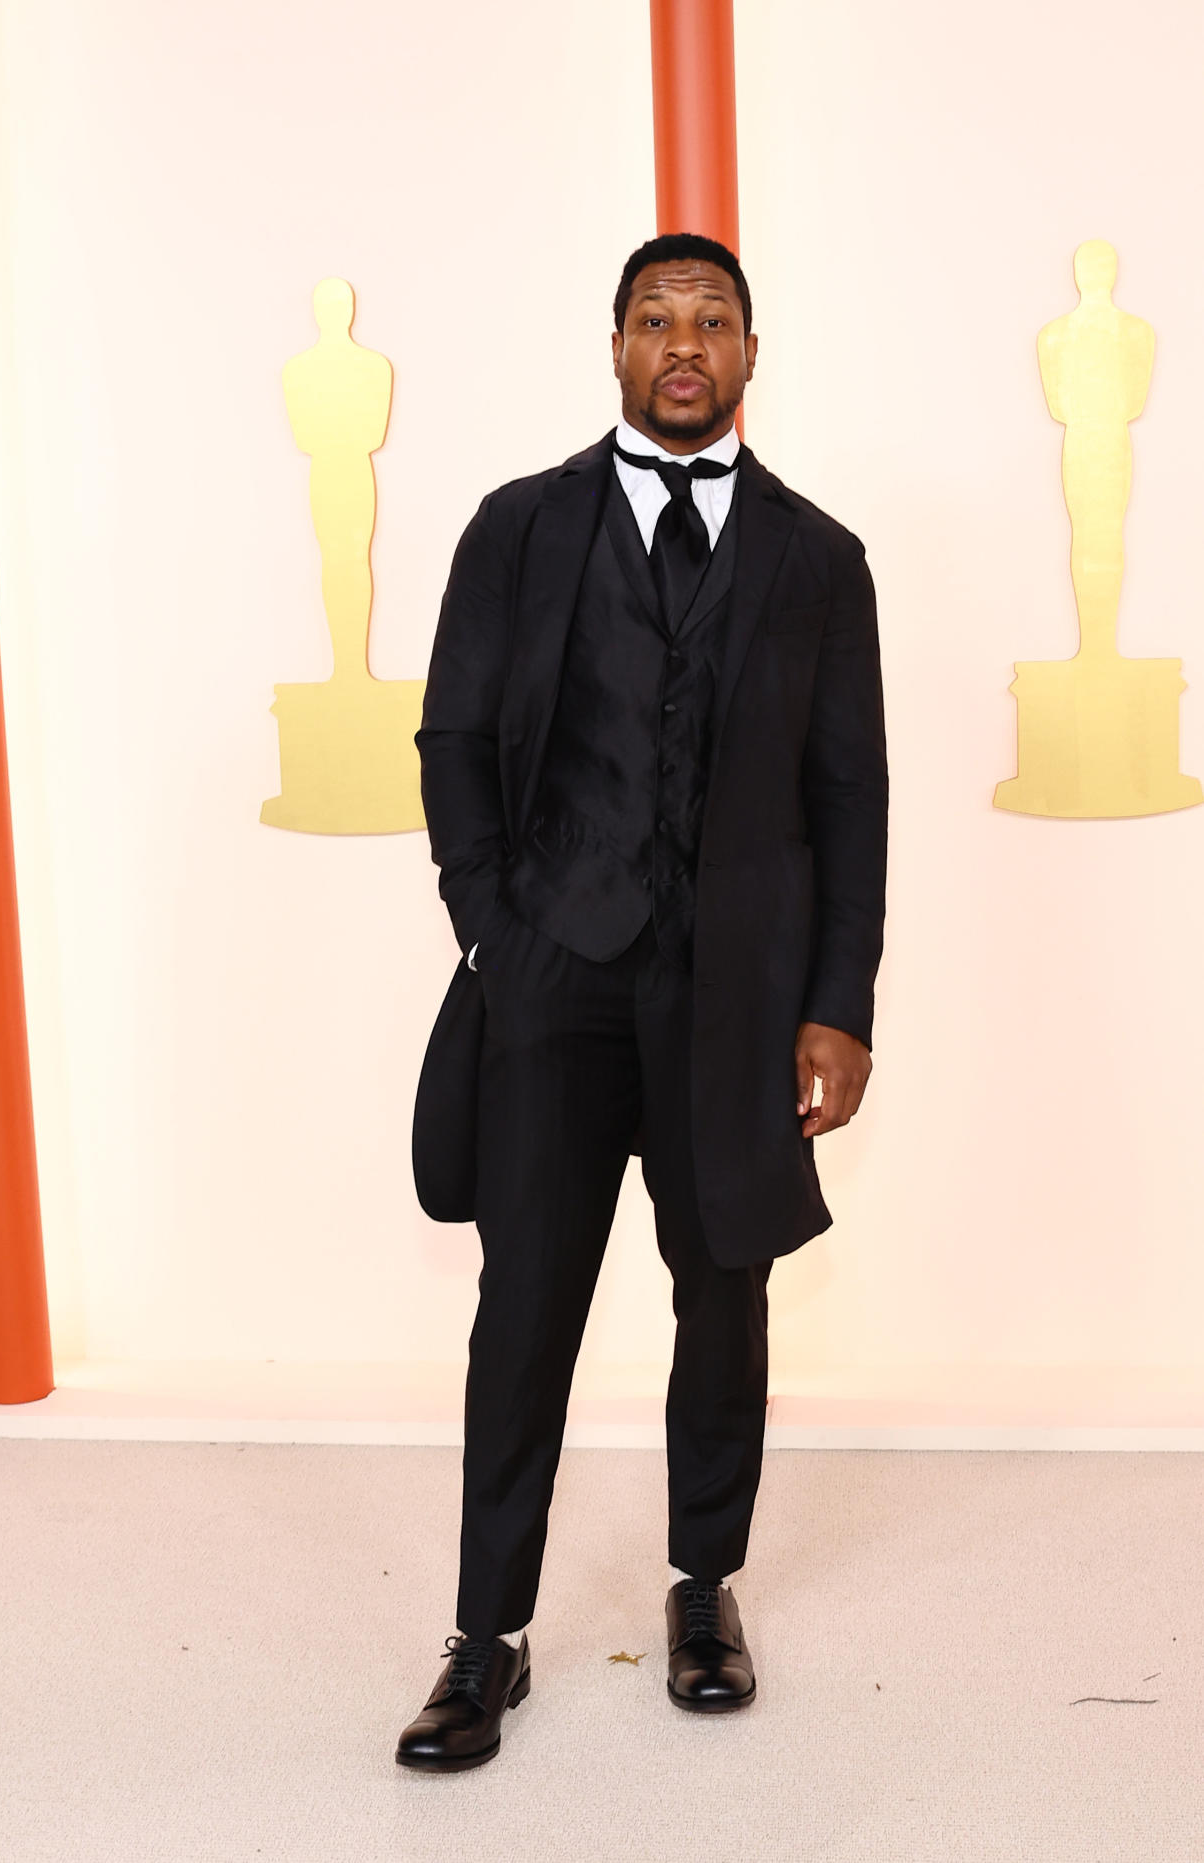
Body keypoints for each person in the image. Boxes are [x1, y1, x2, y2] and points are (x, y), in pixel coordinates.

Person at [398, 232, 888, 1771]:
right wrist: (492, 932)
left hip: (737, 1000)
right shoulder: (519, 530)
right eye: (656, 320)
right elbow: (455, 739)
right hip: (555, 988)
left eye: (713, 321)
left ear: (751, 353)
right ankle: (486, 1637)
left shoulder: (820, 560)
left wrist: (836, 1001)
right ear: (614, 347)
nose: (685, 343)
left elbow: (850, 797)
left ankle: (701, 1589)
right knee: (523, 1307)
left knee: (722, 1292)